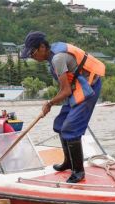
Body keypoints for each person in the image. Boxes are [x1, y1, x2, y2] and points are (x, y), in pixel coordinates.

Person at [21, 31, 105, 183]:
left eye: (32, 53)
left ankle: (78, 172)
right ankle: (68, 162)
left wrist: (50, 103)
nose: (32, 57)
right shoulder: (52, 56)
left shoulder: (58, 58)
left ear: (41, 47)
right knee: (60, 124)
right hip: (76, 87)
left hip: (89, 87)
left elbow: (65, 90)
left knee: (70, 129)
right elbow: (65, 88)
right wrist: (51, 102)